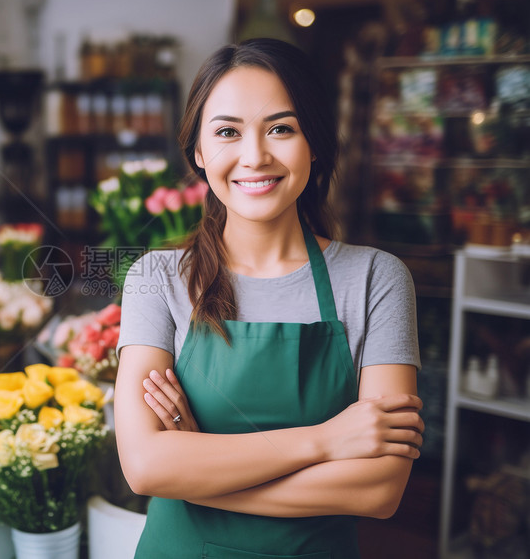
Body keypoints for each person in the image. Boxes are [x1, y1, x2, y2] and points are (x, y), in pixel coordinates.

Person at [114, 38, 424, 558]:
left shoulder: (377, 279)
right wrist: (326, 441)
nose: (255, 156)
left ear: (315, 143)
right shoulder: (156, 278)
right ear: (198, 152)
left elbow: (379, 491)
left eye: (281, 128)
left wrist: (197, 469)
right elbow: (146, 467)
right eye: (227, 133)